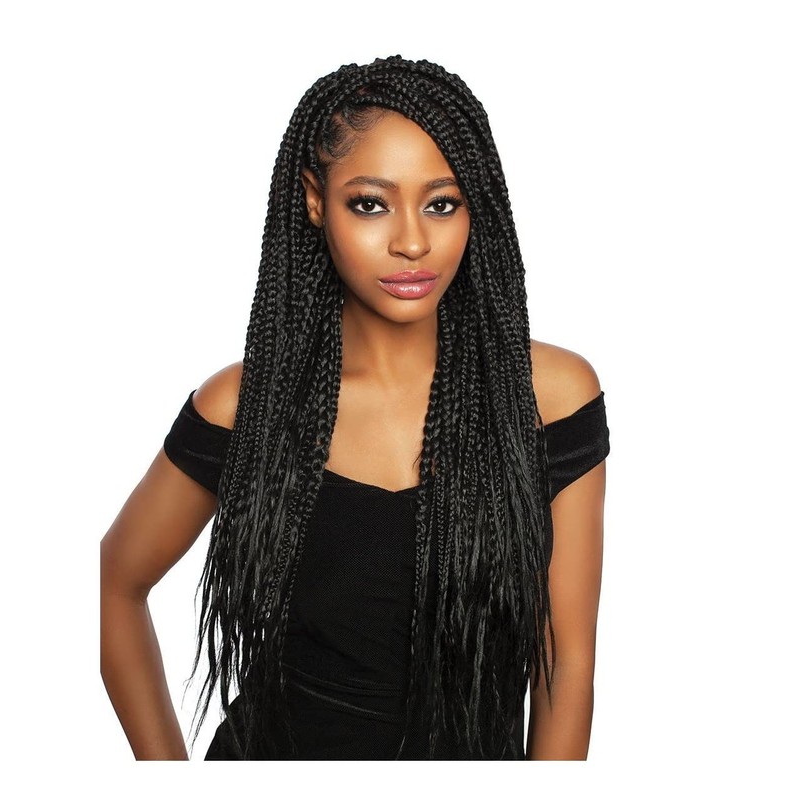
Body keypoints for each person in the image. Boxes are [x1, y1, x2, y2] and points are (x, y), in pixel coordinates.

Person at [100, 54, 610, 761]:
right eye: (371, 203)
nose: (412, 241)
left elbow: (567, 661)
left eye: (442, 203)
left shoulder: (549, 398)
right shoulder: (247, 406)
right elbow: (112, 585)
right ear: (315, 200)